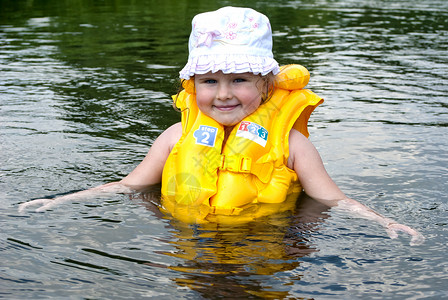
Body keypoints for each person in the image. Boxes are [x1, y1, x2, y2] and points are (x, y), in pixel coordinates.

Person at [18, 7, 424, 245]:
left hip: (267, 242)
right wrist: (61, 201)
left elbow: (333, 200)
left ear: (265, 86)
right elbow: (129, 186)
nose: (224, 94)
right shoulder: (177, 136)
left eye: (240, 80)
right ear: (193, 85)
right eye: (210, 81)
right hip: (190, 242)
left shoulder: (292, 143)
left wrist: (384, 222)